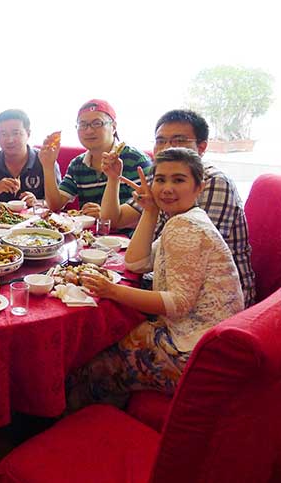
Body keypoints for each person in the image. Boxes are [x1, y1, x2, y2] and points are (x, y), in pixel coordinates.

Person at [67, 148, 243, 411]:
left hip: (195, 354)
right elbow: (136, 262)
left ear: (199, 187)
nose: (167, 188)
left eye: (179, 180)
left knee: (89, 363)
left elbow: (178, 303)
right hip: (208, 341)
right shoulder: (186, 219)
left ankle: (81, 423)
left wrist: (111, 291)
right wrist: (149, 210)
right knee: (113, 338)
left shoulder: (186, 227)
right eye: (160, 179)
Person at [100, 109, 255, 307]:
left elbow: (184, 285)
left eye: (179, 140)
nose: (167, 147)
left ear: (201, 147)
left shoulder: (213, 183)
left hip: (219, 306)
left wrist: (115, 291)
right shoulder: (163, 177)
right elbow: (115, 223)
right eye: (161, 141)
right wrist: (114, 179)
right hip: (171, 286)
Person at [41, 99, 151, 218]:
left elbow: (146, 210)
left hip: (127, 230)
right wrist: (48, 166)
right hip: (88, 230)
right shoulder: (77, 164)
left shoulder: (136, 160)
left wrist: (104, 214)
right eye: (83, 125)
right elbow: (55, 205)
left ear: (113, 127)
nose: (89, 131)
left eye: (97, 123)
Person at [0, 109, 60, 205]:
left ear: (28, 134)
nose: (9, 140)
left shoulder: (46, 161)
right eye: (3, 134)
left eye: (15, 133)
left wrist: (39, 203)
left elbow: (59, 203)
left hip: (36, 214)